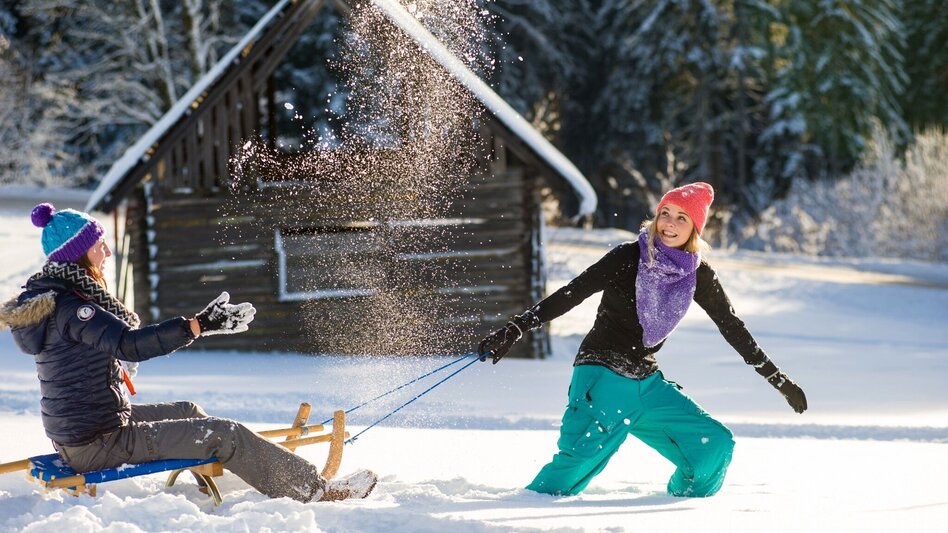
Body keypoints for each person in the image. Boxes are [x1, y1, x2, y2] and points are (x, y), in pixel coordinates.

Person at [0, 203, 376, 502]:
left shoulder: (57, 300)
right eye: (100, 246)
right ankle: (314, 491)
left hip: (88, 427)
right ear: (79, 256)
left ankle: (218, 478)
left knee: (188, 411)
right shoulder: (73, 308)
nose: (108, 252)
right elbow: (129, 344)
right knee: (225, 432)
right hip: (97, 441)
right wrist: (197, 325)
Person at [478, 182, 807, 498]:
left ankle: (677, 511)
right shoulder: (628, 257)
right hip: (602, 375)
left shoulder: (697, 275)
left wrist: (778, 380)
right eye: (666, 213)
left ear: (695, 228)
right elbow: (572, 293)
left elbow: (733, 327)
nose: (670, 224)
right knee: (572, 470)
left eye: (682, 218)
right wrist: (517, 327)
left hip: (647, 383)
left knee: (713, 445)